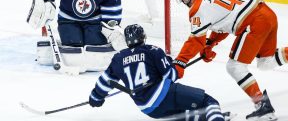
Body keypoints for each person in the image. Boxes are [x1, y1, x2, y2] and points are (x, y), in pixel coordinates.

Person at [172, 0, 288, 121]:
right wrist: (211, 43)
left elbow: (195, 40)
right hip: (267, 13)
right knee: (266, 62)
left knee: (235, 67)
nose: (182, 2)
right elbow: (224, 21)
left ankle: (263, 107)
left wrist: (180, 62)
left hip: (254, 23)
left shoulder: (197, 10)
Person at [88, 24, 227, 121]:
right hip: (163, 95)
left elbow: (105, 81)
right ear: (143, 37)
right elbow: (172, 76)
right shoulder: (152, 50)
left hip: (148, 109)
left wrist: (96, 97)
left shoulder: (118, 58)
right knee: (209, 102)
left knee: (184, 116)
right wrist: (170, 64)